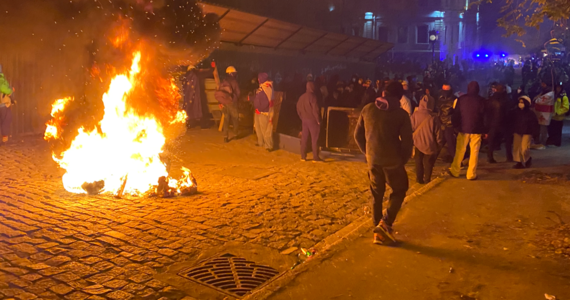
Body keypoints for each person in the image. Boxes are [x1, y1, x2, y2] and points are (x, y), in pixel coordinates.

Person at [354, 81, 413, 245]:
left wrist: (368, 153)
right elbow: (407, 142)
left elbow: (357, 136)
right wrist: (402, 159)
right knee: (400, 189)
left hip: (373, 161)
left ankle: (377, 228)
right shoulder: (401, 115)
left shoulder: (368, 109)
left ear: (383, 93)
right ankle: (385, 224)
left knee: (376, 193)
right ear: (400, 97)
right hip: (393, 162)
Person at [449, 81, 487, 180]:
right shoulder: (482, 100)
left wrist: (456, 126)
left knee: (460, 150)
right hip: (477, 130)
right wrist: (485, 130)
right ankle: (471, 174)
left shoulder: (461, 99)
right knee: (474, 152)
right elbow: (485, 117)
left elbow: (456, 115)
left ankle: (455, 170)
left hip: (463, 129)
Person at [411, 95, 444, 184]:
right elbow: (438, 133)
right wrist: (439, 144)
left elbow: (411, 127)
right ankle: (427, 180)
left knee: (418, 162)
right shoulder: (433, 118)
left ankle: (419, 179)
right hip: (430, 144)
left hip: (418, 143)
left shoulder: (415, 114)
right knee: (428, 163)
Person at [511, 96, 539, 169]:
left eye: (522, 102)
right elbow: (511, 122)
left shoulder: (530, 113)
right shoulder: (515, 112)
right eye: (519, 102)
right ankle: (519, 162)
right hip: (517, 132)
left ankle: (527, 159)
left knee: (524, 148)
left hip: (527, 132)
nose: (520, 104)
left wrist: (535, 134)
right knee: (517, 148)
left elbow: (534, 124)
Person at [297, 82, 322, 162]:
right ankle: (315, 157)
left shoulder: (302, 97)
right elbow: (315, 110)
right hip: (313, 121)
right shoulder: (313, 97)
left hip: (304, 120)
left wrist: (302, 117)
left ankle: (303, 156)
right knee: (314, 139)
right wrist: (318, 120)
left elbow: (298, 109)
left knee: (304, 138)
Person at [215, 66, 241, 143]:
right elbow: (238, 93)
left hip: (224, 103)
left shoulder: (223, 81)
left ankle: (225, 137)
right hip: (232, 103)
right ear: (233, 73)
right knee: (235, 119)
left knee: (226, 119)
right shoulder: (234, 82)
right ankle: (235, 134)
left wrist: (220, 102)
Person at [484, 84, 508, 163]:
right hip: (503, 122)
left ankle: (490, 156)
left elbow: (487, 113)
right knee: (507, 139)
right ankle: (509, 156)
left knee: (491, 140)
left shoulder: (491, 99)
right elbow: (508, 112)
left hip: (492, 123)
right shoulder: (506, 99)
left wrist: (486, 124)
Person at [252, 73, 274, 151]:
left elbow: (266, 102)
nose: (258, 80)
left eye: (259, 78)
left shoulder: (267, 88)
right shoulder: (262, 87)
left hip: (264, 112)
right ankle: (260, 142)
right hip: (258, 111)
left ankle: (268, 146)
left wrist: (259, 109)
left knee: (265, 129)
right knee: (258, 128)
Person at [532, 81, 555, 149]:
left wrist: (536, 100)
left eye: (543, 83)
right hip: (540, 113)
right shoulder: (543, 92)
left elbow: (539, 101)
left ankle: (543, 142)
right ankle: (539, 141)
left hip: (545, 114)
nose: (542, 84)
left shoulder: (549, 94)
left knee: (543, 129)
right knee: (540, 128)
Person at [437, 84, 457, 162]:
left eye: (446, 90)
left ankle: (456, 161)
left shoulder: (454, 100)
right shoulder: (439, 99)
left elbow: (456, 112)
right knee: (440, 142)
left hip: (449, 125)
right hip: (442, 124)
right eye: (443, 90)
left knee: (450, 144)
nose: (444, 92)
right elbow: (439, 111)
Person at [546, 83, 569, 147]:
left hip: (559, 117)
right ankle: (551, 141)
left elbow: (566, 107)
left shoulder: (563, 97)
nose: (558, 89)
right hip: (552, 117)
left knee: (557, 131)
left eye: (559, 88)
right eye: (557, 87)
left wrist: (558, 112)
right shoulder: (553, 95)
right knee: (551, 130)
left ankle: (557, 143)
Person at [0, 64, 13, 144]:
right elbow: (2, 87)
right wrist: (10, 91)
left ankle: (4, 138)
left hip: (3, 104)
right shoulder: (1, 79)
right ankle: (4, 138)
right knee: (6, 119)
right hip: (3, 105)